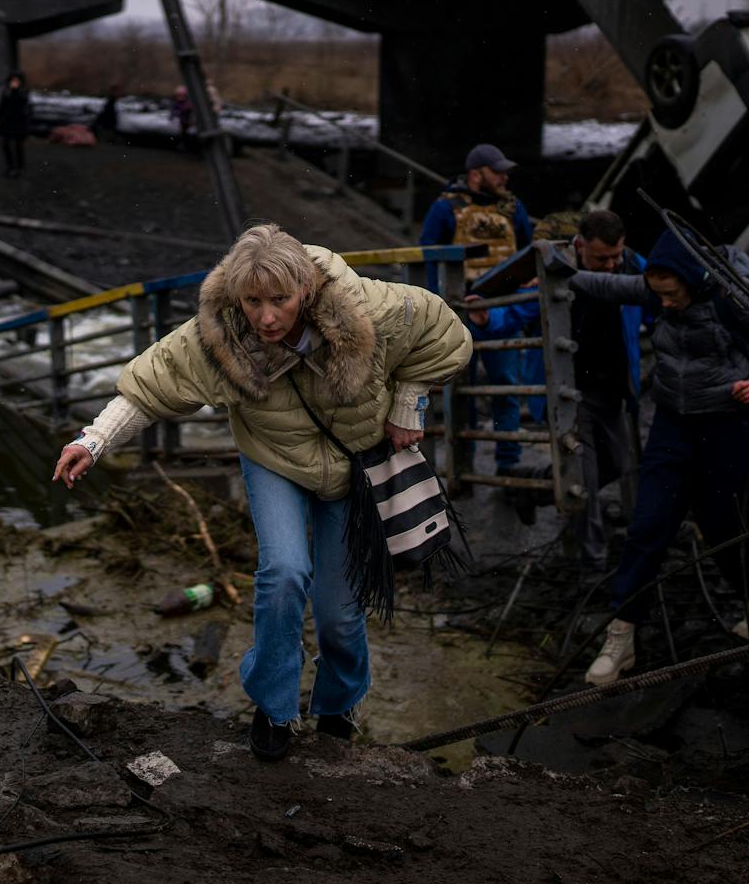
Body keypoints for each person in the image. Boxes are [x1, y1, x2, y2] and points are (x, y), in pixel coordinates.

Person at [51, 225, 472, 760]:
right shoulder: (219, 331)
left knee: (339, 610)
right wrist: (95, 439)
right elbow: (154, 381)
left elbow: (445, 332)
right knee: (284, 574)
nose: (266, 317)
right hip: (274, 459)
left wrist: (409, 402)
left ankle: (338, 705)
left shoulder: (369, 305)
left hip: (352, 465)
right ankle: (274, 708)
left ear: (306, 290)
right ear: (236, 296)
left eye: (280, 301)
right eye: (253, 302)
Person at [566, 228, 749, 687]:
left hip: (729, 424)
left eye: (672, 296)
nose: (665, 305)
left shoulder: (735, 298)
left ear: (696, 279)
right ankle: (621, 636)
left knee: (723, 525)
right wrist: (559, 275)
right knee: (648, 525)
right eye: (658, 296)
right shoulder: (655, 286)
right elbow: (607, 285)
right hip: (673, 424)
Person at [468, 210, 647, 568]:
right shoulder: (554, 269)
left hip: (612, 387)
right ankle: (589, 562)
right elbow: (520, 310)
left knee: (619, 461)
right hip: (569, 389)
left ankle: (531, 489)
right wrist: (488, 318)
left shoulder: (633, 264)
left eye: (616, 256)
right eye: (601, 258)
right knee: (585, 476)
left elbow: (661, 295)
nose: (611, 265)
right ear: (580, 245)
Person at [418, 144, 534, 479]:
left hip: (501, 312)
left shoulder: (513, 207)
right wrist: (438, 310)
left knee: (506, 387)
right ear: (475, 174)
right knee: (460, 391)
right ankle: (462, 465)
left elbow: (526, 253)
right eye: (497, 171)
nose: (504, 176)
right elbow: (428, 259)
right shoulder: (445, 208)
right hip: (460, 312)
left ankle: (508, 465)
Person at [0, 71, 32, 178]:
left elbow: (22, 105)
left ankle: (20, 167)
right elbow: (2, 106)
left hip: (20, 123)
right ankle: (10, 166)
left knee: (18, 146)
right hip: (8, 122)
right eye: (12, 80)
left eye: (16, 80)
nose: (14, 82)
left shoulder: (23, 91)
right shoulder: (6, 92)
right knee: (6, 144)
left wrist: (15, 91)